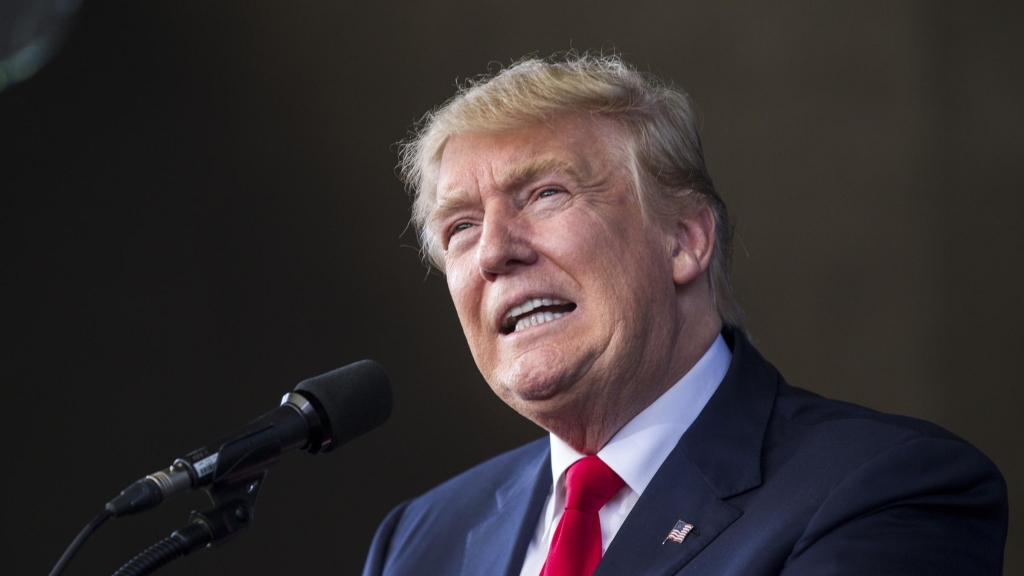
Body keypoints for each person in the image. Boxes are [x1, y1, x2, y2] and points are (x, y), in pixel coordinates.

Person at [362, 54, 1008, 576]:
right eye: (461, 228)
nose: (496, 251)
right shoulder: (420, 540)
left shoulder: (885, 489)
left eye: (546, 194)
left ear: (685, 240)